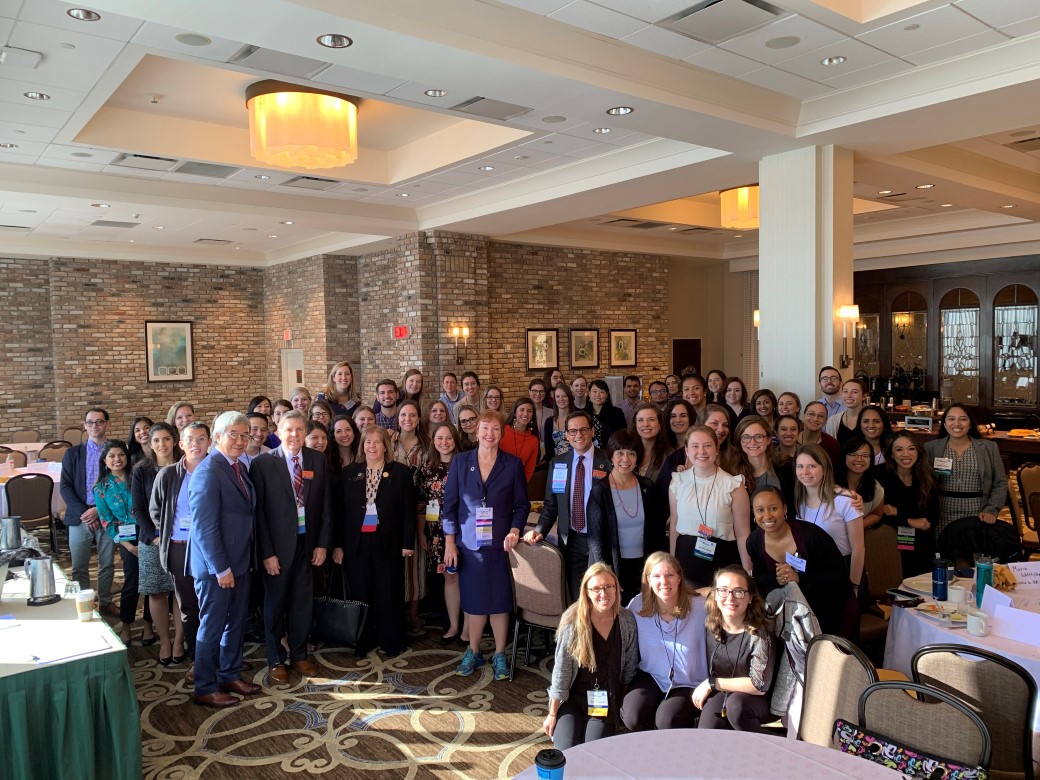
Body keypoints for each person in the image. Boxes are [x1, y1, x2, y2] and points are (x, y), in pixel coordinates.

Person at [443, 410, 530, 680]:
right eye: (484, 428)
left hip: (501, 545)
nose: (489, 434)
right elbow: (449, 506)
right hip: (469, 544)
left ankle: (501, 653)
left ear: (501, 434)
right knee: (475, 600)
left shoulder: (512, 464)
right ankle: (474, 650)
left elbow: (521, 505)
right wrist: (449, 542)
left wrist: (515, 529)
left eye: (495, 429)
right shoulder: (461, 462)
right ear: (476, 431)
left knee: (500, 601)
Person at [186, 411, 261, 708]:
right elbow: (204, 528)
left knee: (235, 623)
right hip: (216, 568)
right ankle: (205, 687)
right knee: (212, 627)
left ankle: (230, 674)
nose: (241, 441)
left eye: (245, 435)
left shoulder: (236, 466)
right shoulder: (208, 472)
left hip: (239, 561)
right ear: (217, 437)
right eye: (234, 435)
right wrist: (221, 568)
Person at [252, 410, 331, 684]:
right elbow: (259, 514)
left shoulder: (317, 460)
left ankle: (299, 654)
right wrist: (267, 553)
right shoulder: (263, 464)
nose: (294, 435)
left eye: (299, 429)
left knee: (301, 602)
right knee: (275, 604)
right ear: (279, 432)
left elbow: (325, 506)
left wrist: (322, 544)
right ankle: (276, 658)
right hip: (277, 548)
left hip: (307, 544)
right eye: (289, 429)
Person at [333, 425, 415, 657]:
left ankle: (391, 640)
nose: (372, 446)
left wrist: (407, 543)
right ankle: (362, 639)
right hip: (356, 543)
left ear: (385, 446)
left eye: (377, 442)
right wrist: (337, 545)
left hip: (388, 541)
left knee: (388, 591)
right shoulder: (349, 473)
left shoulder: (400, 472)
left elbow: (409, 511)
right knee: (360, 591)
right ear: (362, 446)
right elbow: (340, 512)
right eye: (368, 442)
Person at [544, 563, 639, 749]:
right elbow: (562, 671)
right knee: (566, 750)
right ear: (586, 592)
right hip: (573, 698)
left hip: (605, 701)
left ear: (616, 588)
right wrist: (552, 713)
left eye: (609, 586)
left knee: (592, 750)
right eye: (596, 589)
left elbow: (630, 667)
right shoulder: (573, 621)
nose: (604, 593)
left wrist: (622, 706)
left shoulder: (626, 621)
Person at [746, 485, 854, 636]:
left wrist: (799, 578)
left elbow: (839, 576)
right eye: (760, 510)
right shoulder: (754, 542)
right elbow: (761, 579)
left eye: (773, 508)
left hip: (832, 608)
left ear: (784, 509)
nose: (767, 516)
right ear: (754, 514)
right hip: (790, 617)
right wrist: (779, 579)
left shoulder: (811, 535)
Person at [525, 411, 611, 602]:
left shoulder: (608, 461)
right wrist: (539, 530)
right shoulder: (558, 463)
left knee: (600, 594)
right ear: (566, 435)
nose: (578, 435)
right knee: (576, 597)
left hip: (600, 539)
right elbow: (552, 504)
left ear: (592, 432)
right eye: (573, 431)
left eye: (583, 430)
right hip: (571, 540)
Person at [621, 552, 707, 731]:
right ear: (648, 580)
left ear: (679, 578)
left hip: (688, 681)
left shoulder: (701, 607)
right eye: (657, 576)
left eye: (670, 575)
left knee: (667, 720)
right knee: (633, 716)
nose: (664, 582)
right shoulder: (638, 606)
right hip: (652, 675)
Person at [150, 421, 211, 672]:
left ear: (210, 442)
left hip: (210, 549)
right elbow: (156, 511)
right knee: (188, 606)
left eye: (201, 438)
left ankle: (220, 656)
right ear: (181, 444)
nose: (196, 444)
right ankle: (198, 657)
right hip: (180, 548)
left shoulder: (218, 471)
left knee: (214, 604)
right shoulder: (167, 475)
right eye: (190, 440)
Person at [692, 565, 775, 733]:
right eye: (723, 591)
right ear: (715, 595)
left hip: (755, 699)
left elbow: (759, 685)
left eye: (738, 592)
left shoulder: (759, 633)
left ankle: (763, 745)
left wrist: (712, 683)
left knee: (736, 706)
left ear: (750, 597)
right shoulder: (711, 624)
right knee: (707, 731)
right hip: (723, 692)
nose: (730, 598)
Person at [794, 443, 863, 639]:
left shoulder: (846, 500)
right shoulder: (799, 500)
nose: (805, 472)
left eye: (812, 466)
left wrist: (854, 587)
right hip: (813, 576)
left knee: (841, 640)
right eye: (800, 466)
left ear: (824, 468)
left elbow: (859, 549)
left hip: (843, 574)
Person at [587, 430, 667, 599]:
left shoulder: (647, 487)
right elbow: (596, 540)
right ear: (611, 456)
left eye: (631, 453)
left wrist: (658, 568)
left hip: (646, 567)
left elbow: (657, 532)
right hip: (614, 568)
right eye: (620, 453)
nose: (626, 459)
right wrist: (606, 575)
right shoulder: (600, 491)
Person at [669, 426, 750, 587]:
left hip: (722, 563)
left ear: (717, 448)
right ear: (686, 450)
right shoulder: (678, 482)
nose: (701, 451)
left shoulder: (733, 485)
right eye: (695, 446)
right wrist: (672, 565)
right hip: (685, 562)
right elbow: (674, 526)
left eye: (707, 445)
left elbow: (743, 533)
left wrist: (748, 572)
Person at [132, 422, 181, 663]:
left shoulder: (185, 465)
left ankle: (179, 640)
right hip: (152, 540)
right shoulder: (142, 470)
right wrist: (155, 536)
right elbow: (138, 509)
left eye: (166, 439)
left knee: (181, 592)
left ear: (174, 440)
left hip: (182, 539)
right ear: (150, 444)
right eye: (156, 440)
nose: (162, 444)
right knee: (157, 591)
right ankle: (164, 641)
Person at [60, 407, 116, 615]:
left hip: (108, 516)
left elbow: (121, 485)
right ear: (85, 426)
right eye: (90, 422)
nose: (95, 426)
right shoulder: (73, 453)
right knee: (79, 566)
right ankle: (84, 604)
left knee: (107, 564)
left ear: (106, 424)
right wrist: (86, 512)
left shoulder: (116, 452)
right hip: (80, 517)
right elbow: (65, 486)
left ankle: (106, 602)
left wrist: (99, 511)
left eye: (99, 421)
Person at [924, 404, 1007, 539]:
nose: (957, 424)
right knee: (942, 550)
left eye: (963, 419)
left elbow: (1000, 482)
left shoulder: (989, 448)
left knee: (972, 549)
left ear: (970, 424)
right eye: (951, 419)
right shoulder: (931, 448)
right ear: (944, 424)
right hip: (942, 515)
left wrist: (991, 509)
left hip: (977, 514)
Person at [415, 422, 463, 642]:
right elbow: (421, 504)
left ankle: (469, 627)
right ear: (433, 442)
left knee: (466, 577)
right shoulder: (426, 469)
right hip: (436, 531)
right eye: (440, 438)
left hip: (464, 529)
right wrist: (421, 533)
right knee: (449, 577)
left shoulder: (465, 465)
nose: (444, 442)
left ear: (455, 440)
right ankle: (453, 625)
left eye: (449, 438)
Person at [93, 439, 142, 644]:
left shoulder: (138, 477)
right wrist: (129, 547)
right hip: (125, 538)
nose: (117, 459)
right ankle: (127, 625)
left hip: (147, 532)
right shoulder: (101, 488)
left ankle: (149, 625)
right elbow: (107, 521)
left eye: (121, 454)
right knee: (132, 581)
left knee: (152, 581)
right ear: (104, 460)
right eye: (111, 456)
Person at [878, 432, 938, 575]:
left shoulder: (927, 476)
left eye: (911, 448)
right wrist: (909, 520)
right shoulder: (880, 475)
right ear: (891, 454)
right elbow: (879, 514)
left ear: (918, 451)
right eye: (899, 449)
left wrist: (898, 512)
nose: (906, 454)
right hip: (888, 542)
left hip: (922, 543)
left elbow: (931, 516)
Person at [733, 416, 796, 510]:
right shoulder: (733, 474)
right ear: (740, 441)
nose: (752, 442)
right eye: (746, 437)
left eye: (758, 437)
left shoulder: (787, 466)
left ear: (769, 439)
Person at [835, 436, 885, 531]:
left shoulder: (875, 487)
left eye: (865, 456)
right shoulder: (830, 482)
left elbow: (877, 514)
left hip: (857, 534)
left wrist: (856, 526)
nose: (859, 459)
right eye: (853, 454)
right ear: (844, 456)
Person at [631, 402, 673, 483]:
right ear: (635, 425)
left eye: (651, 419)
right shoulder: (626, 451)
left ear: (660, 425)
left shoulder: (670, 456)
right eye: (640, 420)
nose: (646, 424)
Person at [501, 397, 539, 481]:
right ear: (515, 412)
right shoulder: (502, 431)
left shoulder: (533, 440)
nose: (525, 414)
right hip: (498, 480)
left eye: (529, 411)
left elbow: (529, 470)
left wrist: (521, 485)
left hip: (518, 482)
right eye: (522, 410)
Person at [824, 378, 868, 445]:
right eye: (845, 391)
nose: (848, 396)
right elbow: (830, 447)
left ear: (864, 396)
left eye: (854, 392)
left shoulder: (873, 419)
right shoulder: (833, 420)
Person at [588, 379, 626, 449]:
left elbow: (622, 436)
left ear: (607, 395)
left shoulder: (617, 413)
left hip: (610, 451)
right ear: (589, 393)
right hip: (588, 452)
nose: (598, 395)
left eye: (602, 392)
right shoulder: (584, 413)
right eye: (594, 391)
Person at [799, 401, 840, 465]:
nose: (815, 419)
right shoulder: (791, 438)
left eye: (821, 416)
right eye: (811, 414)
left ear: (826, 420)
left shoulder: (832, 445)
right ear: (803, 416)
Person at [543, 384, 575, 459]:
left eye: (564, 396)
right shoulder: (549, 422)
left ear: (569, 398)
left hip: (575, 460)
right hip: (556, 462)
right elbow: (548, 448)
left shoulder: (577, 419)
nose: (561, 399)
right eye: (557, 396)